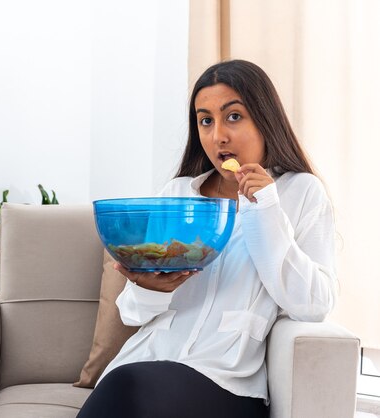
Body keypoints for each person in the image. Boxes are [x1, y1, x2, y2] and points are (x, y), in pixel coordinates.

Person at [77, 59, 337, 418]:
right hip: (146, 362)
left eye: (233, 117)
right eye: (205, 120)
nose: (219, 136)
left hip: (226, 381)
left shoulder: (299, 193)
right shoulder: (178, 193)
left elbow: (313, 304)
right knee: (125, 384)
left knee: (128, 388)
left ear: (265, 119)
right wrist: (150, 287)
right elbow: (132, 313)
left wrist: (265, 209)